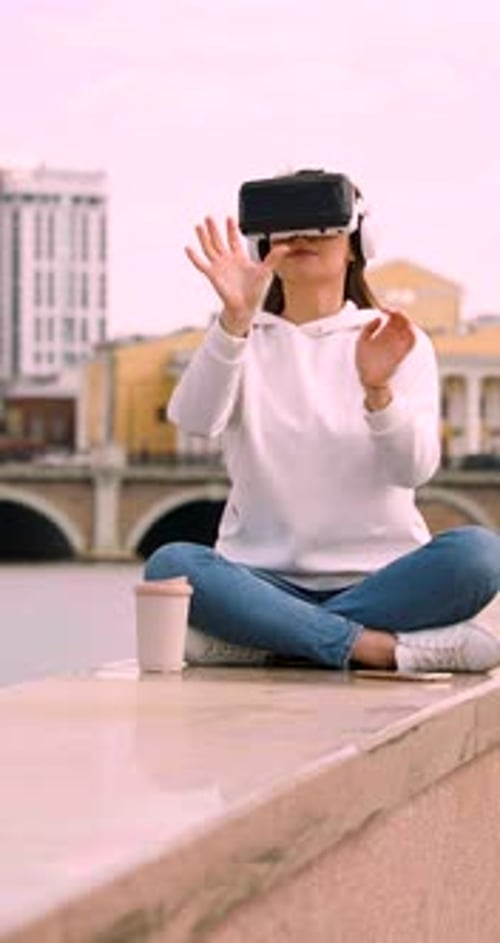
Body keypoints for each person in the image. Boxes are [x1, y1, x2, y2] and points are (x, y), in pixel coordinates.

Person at [145, 171, 500, 673]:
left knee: (480, 555)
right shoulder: (242, 337)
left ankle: (270, 642)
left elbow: (414, 470)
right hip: (260, 578)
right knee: (171, 565)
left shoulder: (396, 339)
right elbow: (195, 421)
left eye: (321, 226)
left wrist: (378, 393)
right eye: (286, 229)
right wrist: (234, 320)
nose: (301, 238)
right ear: (263, 244)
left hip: (382, 578)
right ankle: (378, 650)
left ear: (356, 243)